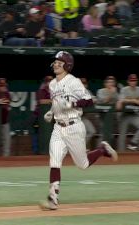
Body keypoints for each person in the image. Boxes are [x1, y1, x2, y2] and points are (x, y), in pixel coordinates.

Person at [39, 51, 118, 211]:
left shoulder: (74, 82)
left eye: (59, 62)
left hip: (74, 127)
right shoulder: (52, 84)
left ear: (66, 65)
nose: (55, 64)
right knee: (54, 161)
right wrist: (51, 112)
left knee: (82, 164)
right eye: (55, 61)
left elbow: (89, 101)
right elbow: (57, 103)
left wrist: (73, 105)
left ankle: (102, 150)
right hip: (58, 128)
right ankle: (53, 199)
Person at [116, 74, 139, 151]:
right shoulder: (124, 89)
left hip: (133, 114)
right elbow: (121, 100)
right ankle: (121, 153)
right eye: (131, 80)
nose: (133, 82)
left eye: (134, 80)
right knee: (122, 136)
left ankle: (133, 143)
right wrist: (134, 100)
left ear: (137, 81)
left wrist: (130, 100)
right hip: (124, 115)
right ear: (128, 81)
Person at [79, 77, 97, 149]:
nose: (83, 85)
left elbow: (95, 99)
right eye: (81, 83)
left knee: (92, 131)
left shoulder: (87, 91)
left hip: (82, 117)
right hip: (73, 118)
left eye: (84, 83)